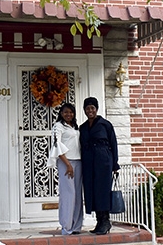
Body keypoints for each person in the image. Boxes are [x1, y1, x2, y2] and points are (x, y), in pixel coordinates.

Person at [79, 97, 119, 235]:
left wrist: (115, 164)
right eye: (87, 108)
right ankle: (99, 220)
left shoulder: (105, 124)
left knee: (102, 190)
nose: (90, 111)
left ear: (96, 109)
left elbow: (113, 144)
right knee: (92, 190)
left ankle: (106, 221)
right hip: (89, 161)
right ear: (84, 110)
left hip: (103, 160)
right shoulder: (83, 127)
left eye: (92, 108)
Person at [48, 102, 84, 235]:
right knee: (68, 194)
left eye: (71, 112)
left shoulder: (75, 127)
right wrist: (68, 164)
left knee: (78, 195)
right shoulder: (58, 126)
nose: (68, 114)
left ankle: (76, 226)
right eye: (65, 112)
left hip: (78, 161)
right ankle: (66, 227)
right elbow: (57, 145)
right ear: (61, 114)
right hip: (66, 162)